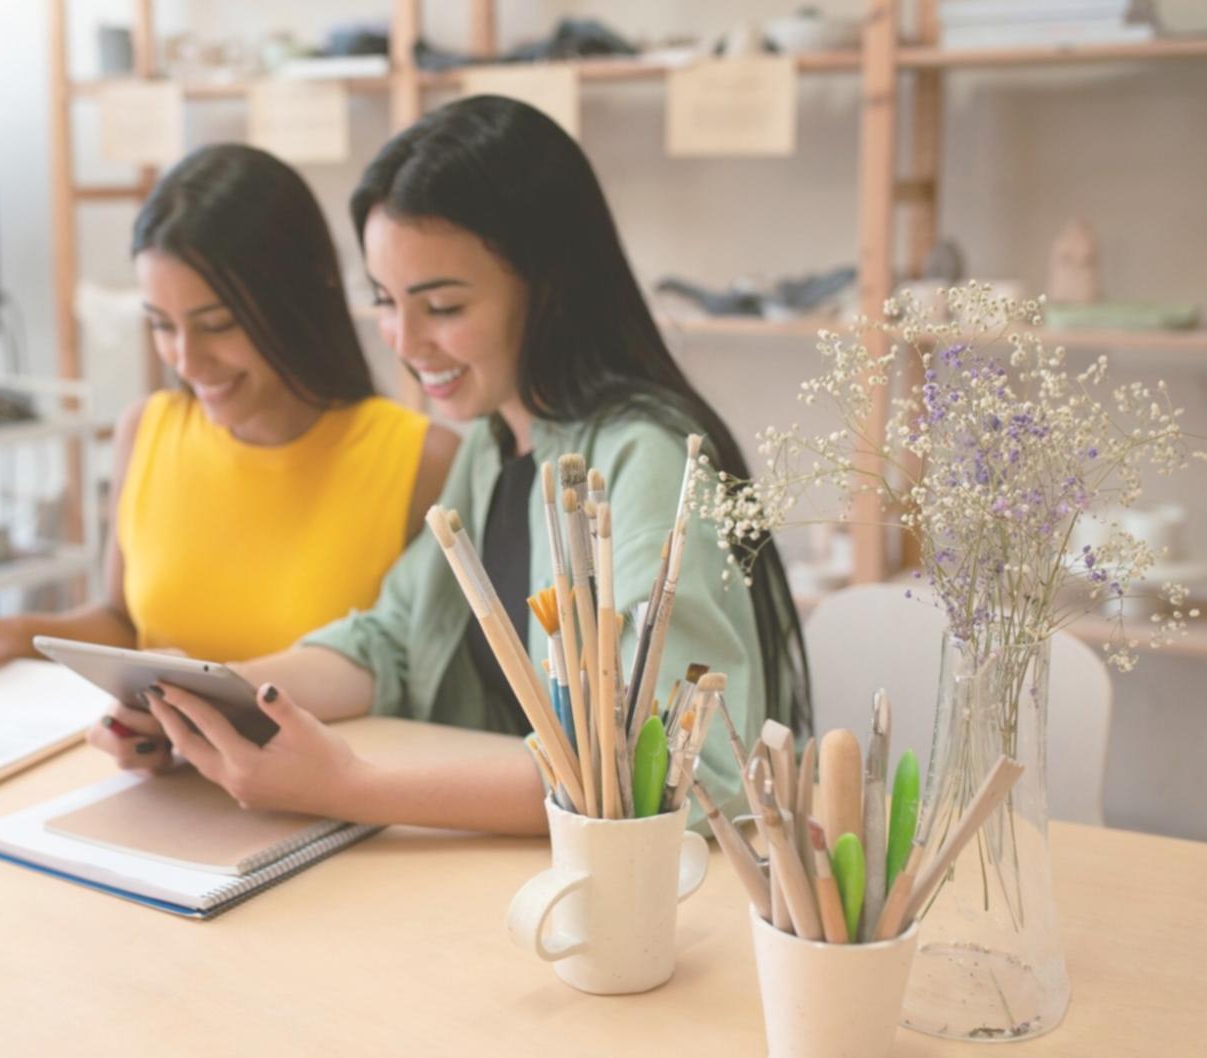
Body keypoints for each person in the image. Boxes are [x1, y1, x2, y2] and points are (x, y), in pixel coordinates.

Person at [90, 98, 809, 835]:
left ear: (548, 285)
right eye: (385, 302)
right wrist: (212, 700)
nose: (405, 341)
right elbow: (389, 642)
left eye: (441, 307)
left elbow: (660, 768)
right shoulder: (495, 445)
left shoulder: (645, 457)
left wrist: (352, 788)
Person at [0, 144, 457, 677]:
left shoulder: (423, 463)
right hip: (161, 758)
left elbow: (418, 683)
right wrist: (12, 636)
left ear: (298, 301)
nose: (186, 359)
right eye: (160, 324)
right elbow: (122, 622)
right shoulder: (147, 430)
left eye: (216, 324)